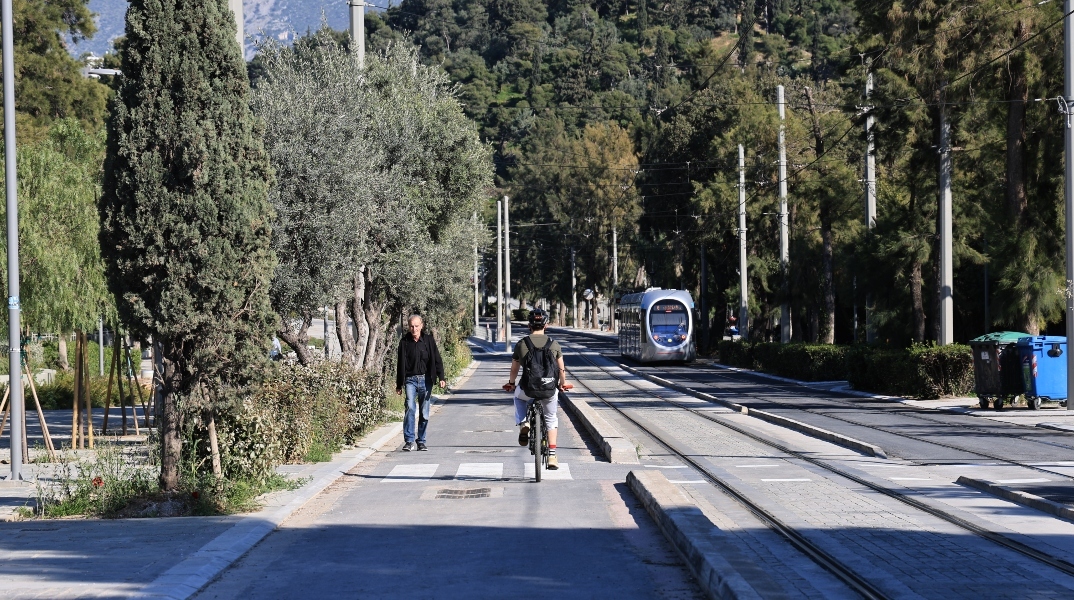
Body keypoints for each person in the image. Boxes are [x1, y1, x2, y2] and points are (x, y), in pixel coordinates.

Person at [504, 308, 569, 470]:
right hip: (548, 389)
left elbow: (514, 369)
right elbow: (561, 370)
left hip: (528, 388)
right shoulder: (554, 344)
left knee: (518, 398)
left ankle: (523, 423)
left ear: (529, 325)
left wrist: (511, 383)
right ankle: (552, 456)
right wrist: (562, 384)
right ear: (545, 325)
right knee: (551, 418)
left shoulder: (522, 344)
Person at [395, 314, 446, 451]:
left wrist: (441, 377)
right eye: (411, 326)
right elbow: (400, 364)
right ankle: (409, 441)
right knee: (410, 407)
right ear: (409, 326)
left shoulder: (428, 340)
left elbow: (437, 359)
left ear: (421, 326)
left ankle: (421, 440)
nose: (414, 328)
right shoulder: (404, 342)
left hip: (426, 380)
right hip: (410, 380)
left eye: (416, 326)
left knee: (424, 412)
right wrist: (399, 384)